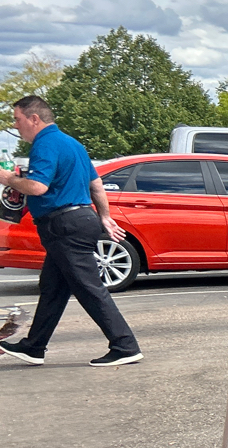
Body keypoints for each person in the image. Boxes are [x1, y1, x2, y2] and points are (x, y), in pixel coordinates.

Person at [0, 96, 142, 366]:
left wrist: (7, 178)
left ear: (34, 119)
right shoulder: (71, 143)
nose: (16, 126)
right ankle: (34, 347)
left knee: (89, 288)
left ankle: (125, 346)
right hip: (80, 220)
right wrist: (105, 217)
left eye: (17, 120)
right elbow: (96, 184)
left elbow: (38, 187)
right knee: (53, 288)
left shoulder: (46, 144)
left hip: (64, 225)